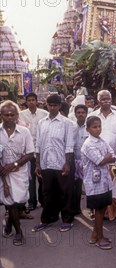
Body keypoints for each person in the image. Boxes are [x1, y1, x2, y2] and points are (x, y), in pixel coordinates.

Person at [32, 94, 76, 233]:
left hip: (61, 163)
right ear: (46, 105)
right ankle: (47, 219)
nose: (52, 108)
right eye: (50, 105)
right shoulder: (41, 123)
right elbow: (38, 144)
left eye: (55, 105)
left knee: (65, 192)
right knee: (47, 193)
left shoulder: (67, 123)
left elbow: (69, 146)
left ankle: (67, 220)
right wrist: (38, 164)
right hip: (46, 164)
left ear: (59, 106)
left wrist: (67, 164)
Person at [0, 101, 34, 245]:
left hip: (20, 173)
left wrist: (14, 164)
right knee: (11, 202)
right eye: (6, 114)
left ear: (16, 115)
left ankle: (9, 220)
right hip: (2, 174)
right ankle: (19, 233)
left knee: (19, 200)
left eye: (12, 114)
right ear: (1, 115)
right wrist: (3, 170)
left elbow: (30, 154)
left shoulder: (24, 131)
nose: (9, 117)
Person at [88, 90, 116, 221]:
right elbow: (89, 138)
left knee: (114, 187)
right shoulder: (92, 116)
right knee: (98, 185)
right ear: (98, 101)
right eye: (103, 99)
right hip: (97, 159)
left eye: (108, 98)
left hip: (114, 158)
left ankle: (113, 212)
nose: (106, 101)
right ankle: (97, 211)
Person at [81, 116, 116, 250]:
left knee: (102, 208)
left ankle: (95, 234)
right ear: (88, 129)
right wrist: (106, 158)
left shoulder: (101, 141)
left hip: (104, 181)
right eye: (94, 127)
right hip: (94, 183)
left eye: (99, 126)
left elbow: (112, 155)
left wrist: (106, 158)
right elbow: (100, 161)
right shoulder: (88, 144)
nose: (98, 129)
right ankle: (100, 238)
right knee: (99, 211)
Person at [19, 92, 48, 210]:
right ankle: (32, 201)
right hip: (28, 151)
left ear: (37, 101)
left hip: (41, 150)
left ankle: (43, 200)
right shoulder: (20, 115)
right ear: (26, 102)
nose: (31, 102)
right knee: (30, 178)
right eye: (29, 100)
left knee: (42, 177)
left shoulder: (44, 114)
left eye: (33, 100)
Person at [73, 104, 89, 216]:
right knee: (76, 186)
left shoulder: (90, 126)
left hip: (88, 161)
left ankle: (92, 209)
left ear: (86, 114)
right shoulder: (71, 127)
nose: (80, 114)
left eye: (82, 112)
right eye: (78, 112)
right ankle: (76, 208)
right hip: (75, 160)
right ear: (75, 114)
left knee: (90, 186)